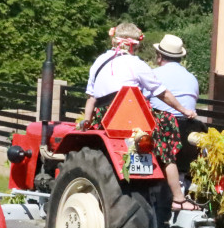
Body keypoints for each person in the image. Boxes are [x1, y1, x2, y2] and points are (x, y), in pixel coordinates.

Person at [80, 23, 199, 211]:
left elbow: (91, 98)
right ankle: (177, 197)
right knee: (166, 126)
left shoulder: (99, 61)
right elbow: (162, 93)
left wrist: (87, 122)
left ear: (114, 40)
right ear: (135, 45)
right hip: (127, 115)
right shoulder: (136, 64)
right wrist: (183, 110)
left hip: (103, 117)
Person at [150, 34, 203, 173]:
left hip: (163, 131)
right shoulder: (192, 79)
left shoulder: (152, 75)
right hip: (188, 133)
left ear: (160, 56)